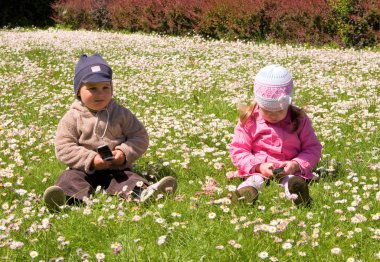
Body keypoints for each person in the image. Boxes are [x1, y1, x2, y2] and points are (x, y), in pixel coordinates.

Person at [43, 53, 177, 211]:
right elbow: (63, 147)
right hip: (83, 170)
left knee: (130, 179)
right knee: (68, 179)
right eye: (92, 88)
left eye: (105, 87)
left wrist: (123, 153)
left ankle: (145, 194)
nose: (100, 93)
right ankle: (65, 201)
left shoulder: (121, 114)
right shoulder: (72, 117)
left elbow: (140, 136)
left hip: (116, 169)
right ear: (79, 91)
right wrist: (91, 160)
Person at [229, 64, 322, 207]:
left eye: (279, 111)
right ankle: (246, 193)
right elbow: (239, 149)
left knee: (290, 180)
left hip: (288, 169)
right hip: (259, 169)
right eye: (266, 110)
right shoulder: (250, 120)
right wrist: (258, 166)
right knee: (255, 180)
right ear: (258, 103)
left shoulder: (299, 119)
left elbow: (312, 148)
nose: (273, 115)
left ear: (288, 103)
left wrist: (296, 164)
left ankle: (297, 193)